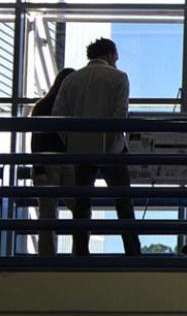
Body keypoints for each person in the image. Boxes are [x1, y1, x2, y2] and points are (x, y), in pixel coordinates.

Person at [51, 38, 141, 256]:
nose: (117, 61)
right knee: (123, 202)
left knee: (82, 204)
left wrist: (71, 141)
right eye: (116, 57)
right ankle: (132, 251)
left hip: (80, 149)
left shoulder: (72, 80)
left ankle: (80, 251)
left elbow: (57, 116)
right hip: (113, 151)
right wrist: (110, 143)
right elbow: (120, 115)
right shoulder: (119, 77)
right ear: (109, 54)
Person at [30, 68, 76, 256]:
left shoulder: (41, 106)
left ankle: (46, 256)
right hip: (68, 162)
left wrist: (38, 169)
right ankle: (79, 252)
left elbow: (36, 142)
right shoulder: (73, 108)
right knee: (80, 208)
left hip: (47, 163)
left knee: (47, 213)